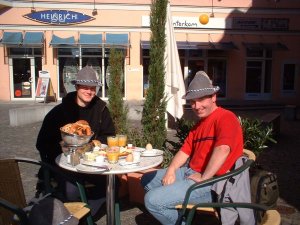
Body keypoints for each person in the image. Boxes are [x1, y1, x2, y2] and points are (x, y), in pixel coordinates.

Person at [141, 71, 244, 225]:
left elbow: (223, 149)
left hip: (212, 182)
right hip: (190, 173)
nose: (196, 106)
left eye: (201, 100)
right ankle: (180, 213)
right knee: (147, 179)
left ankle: (179, 218)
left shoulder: (226, 117)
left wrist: (203, 178)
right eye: (192, 102)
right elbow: (184, 151)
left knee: (152, 201)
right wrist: (170, 171)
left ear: (213, 97)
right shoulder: (199, 125)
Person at [36, 66, 116, 216]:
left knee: (112, 185)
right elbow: (41, 143)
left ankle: (84, 216)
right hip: (66, 164)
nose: (89, 91)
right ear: (77, 87)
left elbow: (109, 135)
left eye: (92, 88)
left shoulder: (101, 109)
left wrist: (92, 144)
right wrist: (62, 148)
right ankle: (73, 216)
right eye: (85, 87)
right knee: (72, 190)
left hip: (93, 163)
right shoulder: (59, 112)